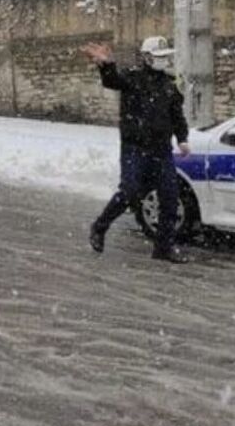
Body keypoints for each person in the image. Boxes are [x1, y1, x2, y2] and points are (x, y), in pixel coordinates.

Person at [81, 36, 192, 263]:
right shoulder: (133, 78)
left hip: (161, 150)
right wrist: (106, 65)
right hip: (135, 147)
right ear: (147, 57)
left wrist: (182, 138)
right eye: (159, 57)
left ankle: (163, 247)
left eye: (166, 56)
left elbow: (177, 115)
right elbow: (111, 81)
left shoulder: (170, 84)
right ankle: (100, 227)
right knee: (130, 192)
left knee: (170, 198)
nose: (164, 61)